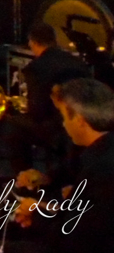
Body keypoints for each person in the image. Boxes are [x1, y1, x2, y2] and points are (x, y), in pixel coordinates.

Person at [11, 78, 114, 252]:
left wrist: (38, 214)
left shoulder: (102, 170)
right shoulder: (102, 149)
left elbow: (74, 238)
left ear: (80, 121)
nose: (63, 123)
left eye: (65, 117)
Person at [6, 21, 91, 171]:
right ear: (54, 40)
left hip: (56, 126)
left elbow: (38, 112)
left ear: (33, 42)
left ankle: (26, 179)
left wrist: (21, 107)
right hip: (83, 121)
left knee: (13, 126)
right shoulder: (78, 62)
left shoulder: (36, 68)